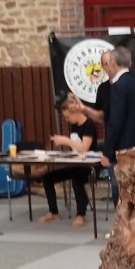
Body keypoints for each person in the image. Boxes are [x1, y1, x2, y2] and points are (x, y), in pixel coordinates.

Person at [98, 46, 135, 206]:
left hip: (125, 148)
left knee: (122, 192)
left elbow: (116, 122)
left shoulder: (118, 86)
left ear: (113, 63)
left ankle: (123, 229)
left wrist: (107, 152)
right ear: (129, 62)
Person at [39, 96, 97, 228]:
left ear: (76, 113)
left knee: (77, 180)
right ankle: (53, 212)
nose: (66, 120)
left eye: (68, 117)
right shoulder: (74, 127)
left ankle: (81, 214)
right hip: (76, 164)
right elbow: (75, 149)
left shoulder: (88, 125)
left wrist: (65, 141)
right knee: (47, 178)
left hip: (89, 165)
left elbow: (83, 148)